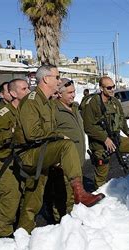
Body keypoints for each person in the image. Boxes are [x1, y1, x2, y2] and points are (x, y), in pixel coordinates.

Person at [16, 65, 104, 233]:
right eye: (57, 77)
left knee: (33, 202)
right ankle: (80, 193)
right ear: (46, 79)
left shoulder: (47, 102)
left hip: (42, 153)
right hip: (30, 154)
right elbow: (33, 133)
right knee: (66, 144)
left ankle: (24, 235)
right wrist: (58, 137)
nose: (59, 80)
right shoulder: (32, 100)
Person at [81, 76, 129, 188]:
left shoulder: (114, 102)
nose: (112, 89)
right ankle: (99, 193)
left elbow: (122, 120)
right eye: (109, 88)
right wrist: (105, 139)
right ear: (101, 88)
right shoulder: (92, 103)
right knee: (101, 173)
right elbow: (88, 127)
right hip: (100, 144)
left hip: (116, 139)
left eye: (113, 87)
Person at [0, 78, 30, 237]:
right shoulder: (3, 114)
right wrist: (12, 132)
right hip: (8, 164)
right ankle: (2, 242)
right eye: (24, 89)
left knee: (25, 204)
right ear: (13, 93)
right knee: (9, 206)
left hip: (26, 162)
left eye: (28, 88)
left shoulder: (27, 111)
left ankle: (21, 238)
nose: (28, 92)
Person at [45, 78, 87, 222]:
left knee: (75, 195)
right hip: (63, 162)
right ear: (59, 93)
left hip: (77, 160)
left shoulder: (75, 107)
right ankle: (61, 224)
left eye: (74, 91)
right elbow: (49, 135)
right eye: (69, 92)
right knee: (63, 196)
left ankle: (72, 221)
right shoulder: (53, 109)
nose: (73, 95)